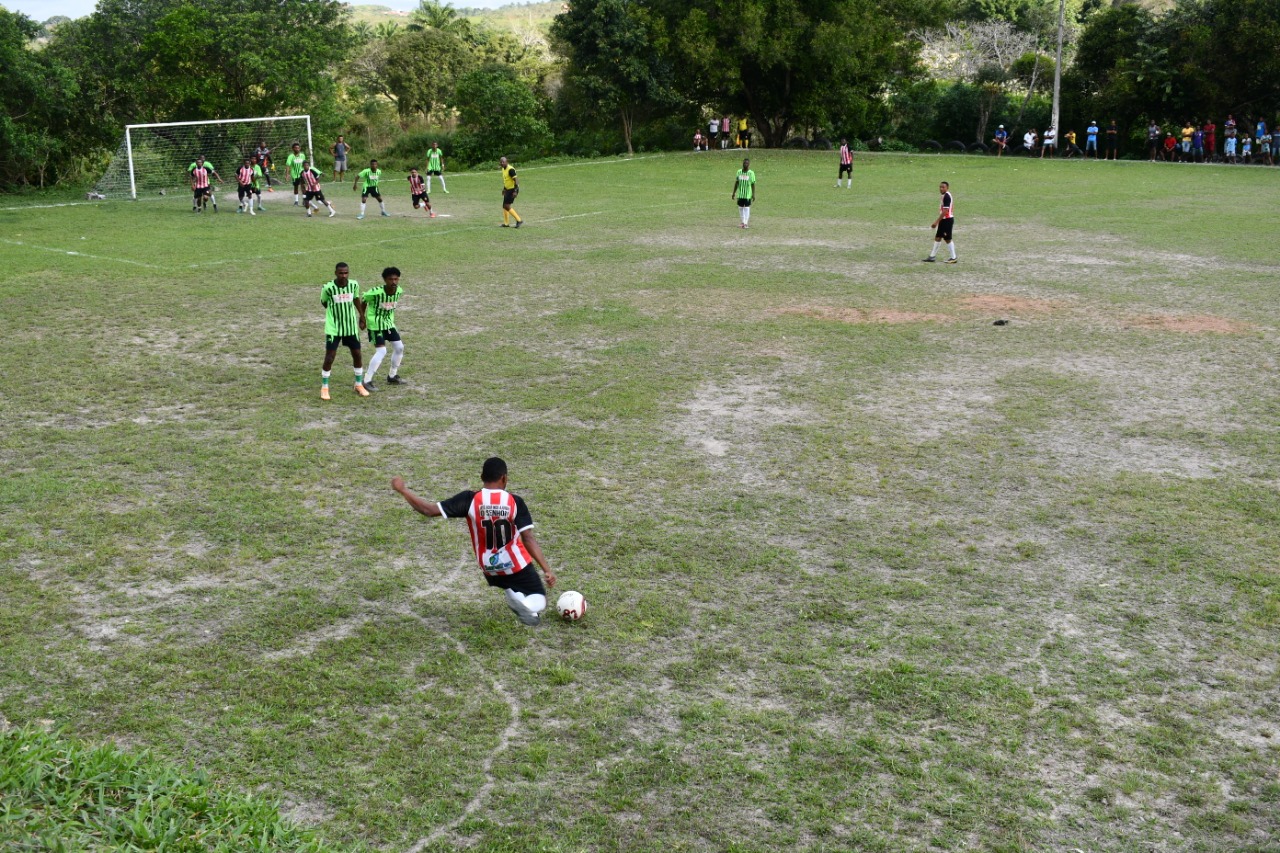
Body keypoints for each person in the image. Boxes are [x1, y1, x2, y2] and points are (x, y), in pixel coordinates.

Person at [391, 457, 558, 627]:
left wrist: (403, 490)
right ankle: (525, 604)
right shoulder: (515, 502)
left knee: (510, 584)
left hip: (489, 568)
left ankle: (515, 595)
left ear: (482, 477)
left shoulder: (469, 499)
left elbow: (428, 510)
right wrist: (547, 569)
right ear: (504, 478)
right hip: (515, 565)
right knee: (539, 598)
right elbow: (528, 538)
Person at [320, 262, 369, 400]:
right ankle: (324, 387)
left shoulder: (353, 285)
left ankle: (358, 384)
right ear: (335, 273)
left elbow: (356, 299)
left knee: (357, 354)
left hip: (350, 327)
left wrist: (362, 317)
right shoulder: (328, 288)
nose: (343, 275)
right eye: (340, 273)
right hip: (333, 328)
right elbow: (324, 302)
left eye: (346, 273)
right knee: (330, 357)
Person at [359, 266, 405, 391]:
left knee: (399, 347)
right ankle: (366, 380)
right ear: (385, 280)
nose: (394, 282)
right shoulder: (375, 292)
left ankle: (392, 376)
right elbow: (363, 301)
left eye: (396, 279)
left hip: (389, 324)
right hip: (375, 325)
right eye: (391, 279)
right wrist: (362, 318)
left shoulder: (399, 291)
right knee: (381, 351)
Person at [922, 180, 956, 264]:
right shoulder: (944, 195)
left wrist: (936, 222)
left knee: (947, 239)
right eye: (940, 187)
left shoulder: (947, 196)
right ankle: (932, 256)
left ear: (947, 188)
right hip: (944, 220)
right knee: (938, 237)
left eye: (943, 187)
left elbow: (945, 211)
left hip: (947, 220)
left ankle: (953, 257)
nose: (941, 189)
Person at [732, 157, 756, 229]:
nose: (745, 164)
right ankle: (742, 222)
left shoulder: (751, 173)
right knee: (740, 208)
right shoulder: (739, 172)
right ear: (742, 163)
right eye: (744, 163)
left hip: (747, 194)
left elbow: (753, 184)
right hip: (740, 194)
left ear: (749, 164)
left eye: (747, 163)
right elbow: (736, 183)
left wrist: (753, 194)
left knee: (746, 208)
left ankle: (746, 223)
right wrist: (733, 193)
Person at [499, 156, 522, 228]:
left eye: (503, 162)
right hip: (508, 189)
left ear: (507, 162)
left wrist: (515, 191)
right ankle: (506, 223)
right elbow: (507, 180)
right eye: (501, 162)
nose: (502, 163)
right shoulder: (503, 169)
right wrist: (504, 189)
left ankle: (519, 220)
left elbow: (516, 180)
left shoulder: (510, 169)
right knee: (504, 206)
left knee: (507, 206)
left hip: (513, 189)